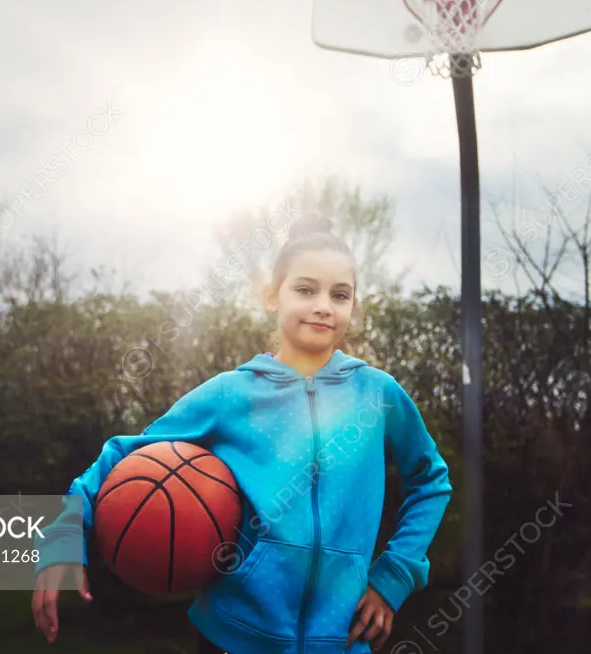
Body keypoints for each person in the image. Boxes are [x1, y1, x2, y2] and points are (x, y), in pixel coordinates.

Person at [31, 213, 453, 653]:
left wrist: (393, 577)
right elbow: (126, 454)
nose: (323, 305)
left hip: (343, 640)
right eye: (305, 289)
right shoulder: (232, 393)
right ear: (273, 297)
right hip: (232, 637)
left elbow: (431, 481)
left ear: (353, 305)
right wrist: (64, 536)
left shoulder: (378, 393)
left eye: (339, 294)